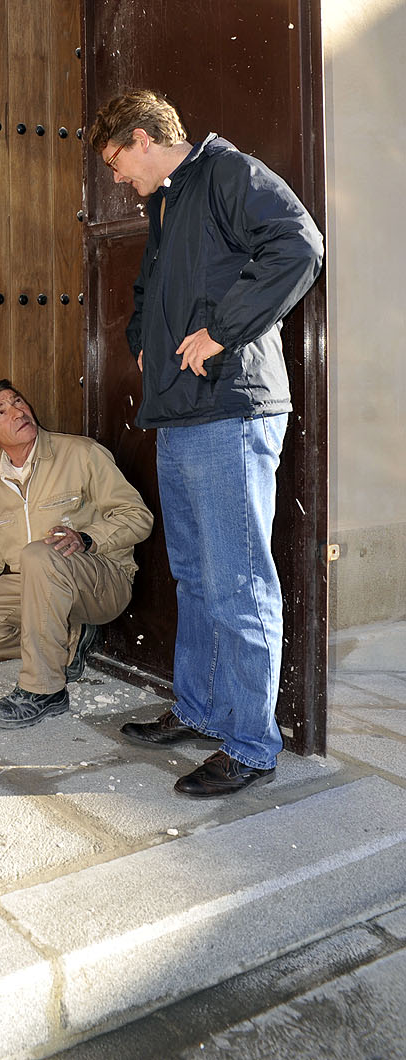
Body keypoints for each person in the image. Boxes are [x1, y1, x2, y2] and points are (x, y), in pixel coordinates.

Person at [85, 90, 324, 797]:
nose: (117, 179)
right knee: (196, 575)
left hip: (230, 407)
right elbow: (153, 295)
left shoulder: (227, 173)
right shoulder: (167, 201)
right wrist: (141, 347)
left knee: (239, 583)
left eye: (116, 163)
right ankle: (199, 708)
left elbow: (297, 243)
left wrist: (223, 331)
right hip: (182, 412)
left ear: (142, 137)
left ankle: (251, 743)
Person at [0, 380, 153, 728]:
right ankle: (68, 640)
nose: (18, 411)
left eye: (18, 402)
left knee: (38, 555)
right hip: (35, 585)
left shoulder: (81, 454)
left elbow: (138, 518)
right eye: (2, 411)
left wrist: (88, 538)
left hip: (101, 580)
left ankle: (44, 690)